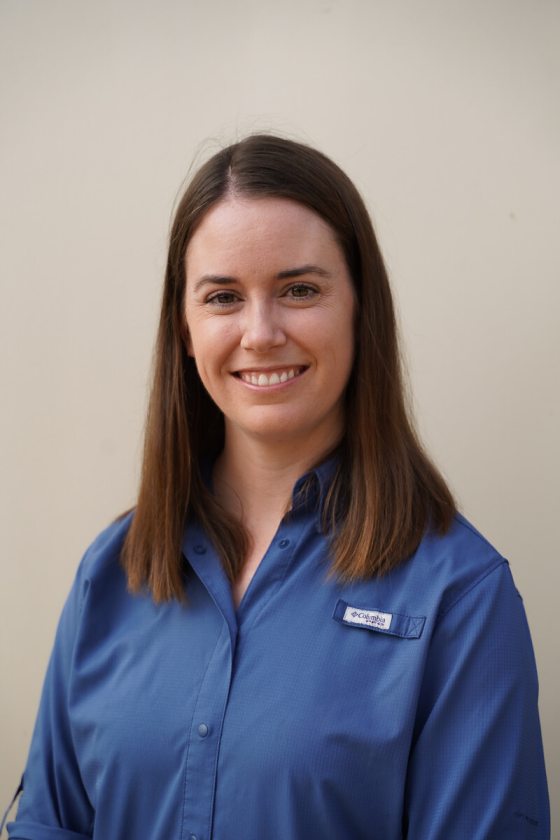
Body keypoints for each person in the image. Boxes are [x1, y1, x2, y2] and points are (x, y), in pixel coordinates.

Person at [5, 134, 549, 839]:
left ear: (360, 307)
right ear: (186, 329)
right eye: (224, 296)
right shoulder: (111, 574)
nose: (260, 333)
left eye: (299, 290)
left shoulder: (461, 598)